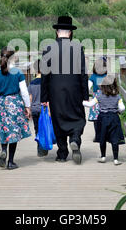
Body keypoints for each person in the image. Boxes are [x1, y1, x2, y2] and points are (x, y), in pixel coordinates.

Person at [41, 16, 89, 164]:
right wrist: (85, 95)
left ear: (57, 32)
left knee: (58, 119)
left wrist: (44, 97)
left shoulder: (48, 48)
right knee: (77, 117)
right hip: (74, 90)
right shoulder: (77, 48)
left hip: (55, 91)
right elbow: (83, 73)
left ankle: (62, 153)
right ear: (69, 33)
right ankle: (75, 139)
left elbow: (44, 75)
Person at [0, 47, 32, 170]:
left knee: (4, 129)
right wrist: (27, 106)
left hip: (2, 104)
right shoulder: (18, 73)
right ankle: (11, 162)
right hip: (15, 103)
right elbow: (24, 91)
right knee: (14, 133)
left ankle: (3, 150)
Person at [83, 75, 126, 166]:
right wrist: (118, 111)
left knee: (102, 138)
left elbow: (90, 104)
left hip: (102, 118)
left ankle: (103, 157)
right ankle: (115, 159)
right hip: (114, 118)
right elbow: (122, 108)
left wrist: (80, 102)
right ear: (114, 85)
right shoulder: (117, 96)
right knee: (114, 139)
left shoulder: (99, 96)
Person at [27, 59, 49, 157]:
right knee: (45, 128)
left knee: (37, 129)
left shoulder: (32, 83)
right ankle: (44, 147)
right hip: (44, 109)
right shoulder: (48, 82)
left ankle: (40, 149)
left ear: (35, 70)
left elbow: (30, 99)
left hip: (35, 110)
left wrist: (29, 110)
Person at [88, 57, 108, 142]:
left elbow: (87, 87)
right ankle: (105, 136)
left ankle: (98, 136)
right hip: (106, 98)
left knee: (96, 119)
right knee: (105, 117)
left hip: (96, 98)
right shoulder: (106, 76)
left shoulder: (93, 77)